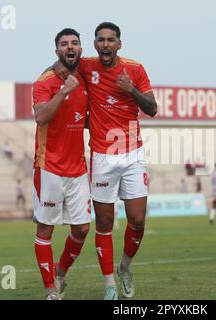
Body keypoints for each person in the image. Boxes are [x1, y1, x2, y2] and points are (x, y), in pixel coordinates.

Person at [52, 22, 157, 300]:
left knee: (137, 220)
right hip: (102, 156)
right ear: (95, 44)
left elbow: (152, 109)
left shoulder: (134, 69)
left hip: (133, 153)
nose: (106, 44)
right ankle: (109, 284)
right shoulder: (87, 66)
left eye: (111, 40)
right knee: (105, 223)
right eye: (101, 40)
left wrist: (131, 89)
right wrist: (57, 66)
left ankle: (125, 267)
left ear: (119, 44)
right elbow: (60, 64)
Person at [32, 28, 91, 300]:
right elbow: (41, 117)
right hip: (50, 167)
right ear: (56, 51)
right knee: (45, 229)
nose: (70, 47)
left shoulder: (86, 79)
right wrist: (64, 92)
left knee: (82, 228)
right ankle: (50, 291)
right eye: (64, 44)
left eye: (75, 43)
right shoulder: (44, 82)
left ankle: (60, 271)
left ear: (80, 49)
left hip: (78, 168)